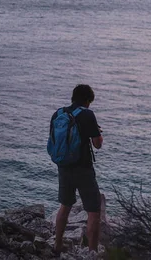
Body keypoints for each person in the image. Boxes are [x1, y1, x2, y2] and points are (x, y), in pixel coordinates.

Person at [52, 84, 103, 252]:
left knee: (65, 206)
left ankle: (57, 245)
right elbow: (97, 144)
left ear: (73, 97)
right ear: (88, 101)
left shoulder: (58, 114)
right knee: (94, 211)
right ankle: (92, 253)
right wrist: (97, 132)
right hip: (83, 169)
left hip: (63, 167)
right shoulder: (87, 114)